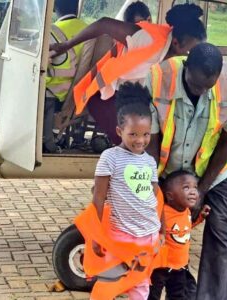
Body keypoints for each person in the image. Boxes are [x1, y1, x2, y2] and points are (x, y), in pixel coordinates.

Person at [146, 43, 227, 300]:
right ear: (186, 66)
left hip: (215, 169)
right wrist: (154, 184)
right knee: (160, 226)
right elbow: (152, 137)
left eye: (207, 87)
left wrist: (200, 191)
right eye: (195, 85)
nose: (201, 91)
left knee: (221, 229)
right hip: (167, 166)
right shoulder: (158, 77)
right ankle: (159, 286)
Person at [50, 3, 206, 145]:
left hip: (135, 96)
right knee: (132, 141)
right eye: (190, 52)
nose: (194, 56)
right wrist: (65, 45)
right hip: (105, 95)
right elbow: (104, 23)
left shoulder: (178, 60)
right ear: (176, 43)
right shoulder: (147, 37)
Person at [75, 82, 163, 300]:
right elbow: (98, 197)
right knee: (108, 285)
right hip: (120, 238)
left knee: (140, 285)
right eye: (133, 134)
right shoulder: (110, 158)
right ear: (119, 131)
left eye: (145, 134)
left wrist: (161, 230)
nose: (140, 140)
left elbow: (155, 197)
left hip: (148, 237)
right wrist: (95, 236)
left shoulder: (150, 162)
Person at [149, 170, 211, 300]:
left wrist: (200, 217)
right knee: (152, 295)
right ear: (170, 196)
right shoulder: (162, 213)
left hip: (180, 266)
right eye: (186, 187)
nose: (193, 191)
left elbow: (184, 228)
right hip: (159, 267)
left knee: (178, 295)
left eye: (195, 187)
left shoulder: (186, 211)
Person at [43, 0, 87, 153]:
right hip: (81, 94)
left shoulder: (51, 32)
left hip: (57, 95)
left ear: (54, 8)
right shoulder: (89, 30)